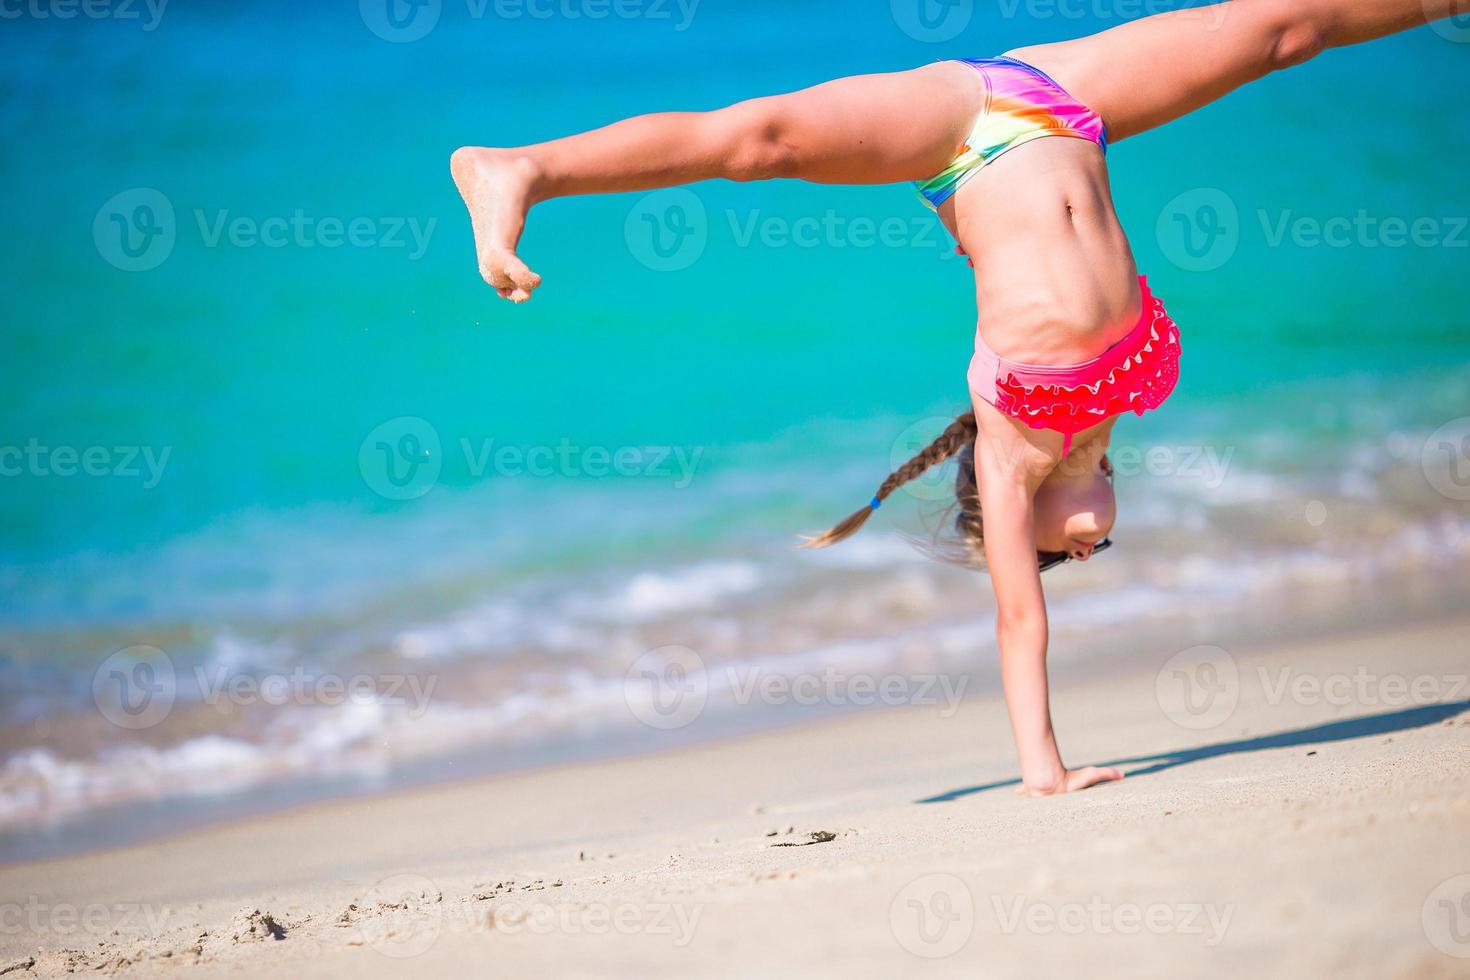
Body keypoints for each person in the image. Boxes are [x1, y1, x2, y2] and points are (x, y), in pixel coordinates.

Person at [451, 0, 1469, 795]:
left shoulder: (1010, 446)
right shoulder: (1125, 397)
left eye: (1069, 552)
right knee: (1283, 34)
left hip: (960, 130)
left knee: (761, 141)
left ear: (1012, 519)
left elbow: (1018, 627)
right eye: (1096, 546)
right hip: (1065, 102)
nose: (1088, 546)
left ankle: (522, 167)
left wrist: (1042, 767)